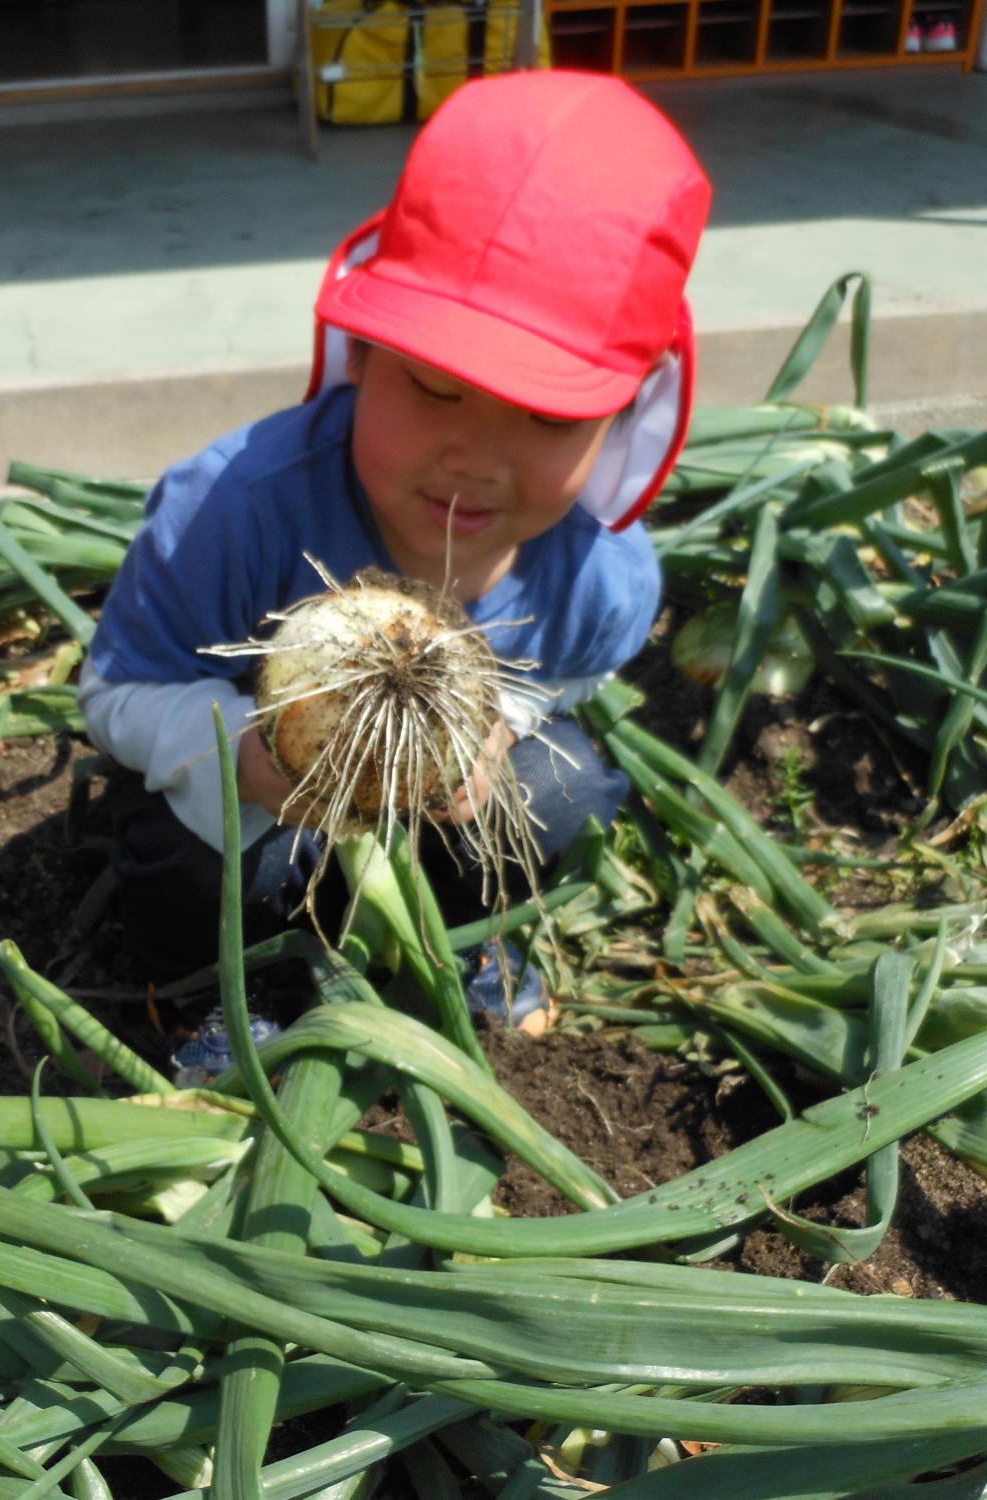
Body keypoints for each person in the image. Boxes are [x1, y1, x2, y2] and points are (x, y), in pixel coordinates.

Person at [78, 72, 712, 985]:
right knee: (192, 872)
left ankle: (467, 942)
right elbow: (112, 694)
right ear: (365, 352)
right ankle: (219, 995)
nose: (479, 459)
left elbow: (569, 682)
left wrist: (502, 721)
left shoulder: (603, 576)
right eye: (435, 389)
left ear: (629, 409)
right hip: (262, 802)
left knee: (560, 790)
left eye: (549, 418)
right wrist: (242, 755)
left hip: (448, 801)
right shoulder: (227, 512)